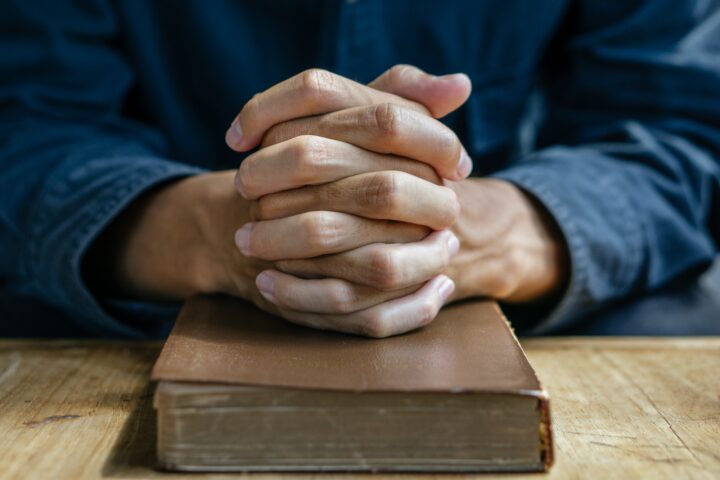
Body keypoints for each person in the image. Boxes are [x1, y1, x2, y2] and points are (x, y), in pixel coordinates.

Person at [1, 0, 719, 338]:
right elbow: (29, 124)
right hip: (141, 301)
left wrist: (465, 230)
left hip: (504, 301)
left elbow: (675, 127)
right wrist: (226, 230)